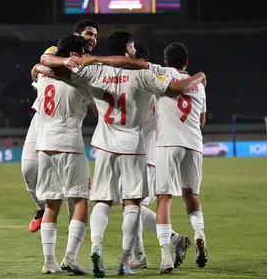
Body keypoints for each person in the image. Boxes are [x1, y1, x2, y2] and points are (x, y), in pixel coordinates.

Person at [34, 31, 206, 277]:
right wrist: (201, 76)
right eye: (133, 46)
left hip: (103, 144)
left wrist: (48, 66)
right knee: (132, 204)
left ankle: (95, 245)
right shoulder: (144, 74)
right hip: (134, 147)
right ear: (128, 48)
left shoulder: (94, 72)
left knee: (101, 201)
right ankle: (126, 262)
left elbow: (52, 70)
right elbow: (177, 87)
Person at [23, 19, 99, 233]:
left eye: (95, 35)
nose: (93, 38)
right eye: (89, 33)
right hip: (41, 120)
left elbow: (39, 67)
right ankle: (40, 208)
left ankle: (71, 234)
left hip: (67, 121)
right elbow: (43, 59)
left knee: (71, 188)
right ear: (77, 35)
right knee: (28, 169)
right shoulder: (59, 50)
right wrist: (62, 63)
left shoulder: (90, 62)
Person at [129, 43, 190, 270]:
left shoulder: (140, 83)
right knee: (131, 204)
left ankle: (169, 240)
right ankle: (141, 254)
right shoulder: (157, 81)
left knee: (132, 205)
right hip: (148, 151)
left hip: (144, 152)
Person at [34, 34, 93, 275]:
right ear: (73, 55)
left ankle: (49, 262)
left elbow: (37, 68)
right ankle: (71, 257)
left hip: (44, 145)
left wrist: (42, 65)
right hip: (69, 143)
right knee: (81, 200)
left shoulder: (43, 75)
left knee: (52, 204)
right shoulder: (80, 79)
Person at [154, 42, 208, 274]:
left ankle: (166, 255)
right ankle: (199, 234)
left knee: (164, 198)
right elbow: (202, 120)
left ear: (166, 61)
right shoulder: (200, 87)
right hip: (193, 144)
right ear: (186, 62)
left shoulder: (162, 74)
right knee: (191, 195)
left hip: (168, 143)